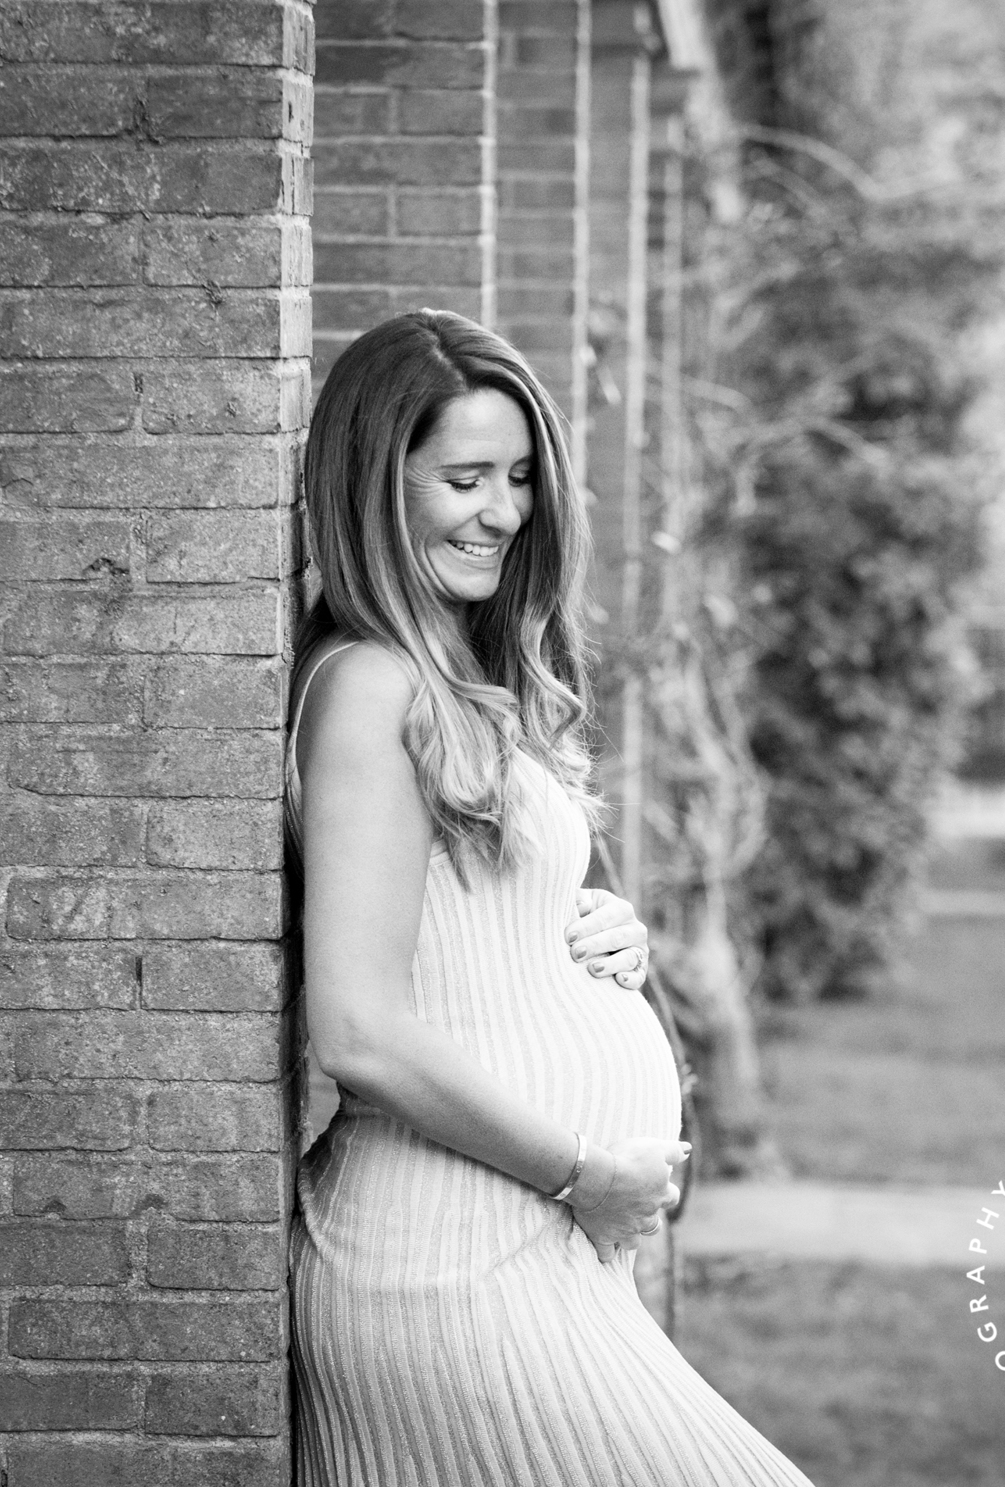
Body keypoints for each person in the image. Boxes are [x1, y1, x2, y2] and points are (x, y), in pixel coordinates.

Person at [286, 310, 814, 1486]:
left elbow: (460, 925)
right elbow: (359, 1028)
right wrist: (580, 1170)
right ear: (374, 487)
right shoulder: (372, 687)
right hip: (448, 1257)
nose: (504, 512)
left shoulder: (446, 673)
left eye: (519, 477)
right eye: (463, 478)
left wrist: (579, 931)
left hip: (511, 1245)